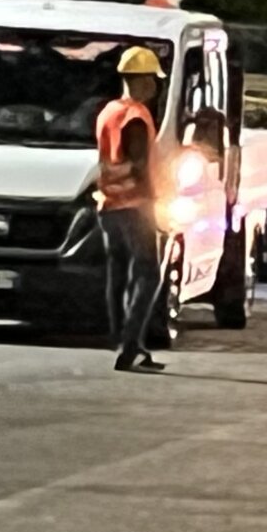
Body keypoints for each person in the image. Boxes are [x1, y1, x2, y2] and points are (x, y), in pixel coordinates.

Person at [94, 46, 170, 374]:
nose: (155, 86)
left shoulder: (108, 111)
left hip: (109, 204)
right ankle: (130, 345)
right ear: (140, 80)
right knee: (149, 274)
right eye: (153, 79)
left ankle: (124, 341)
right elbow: (139, 164)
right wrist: (157, 204)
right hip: (135, 205)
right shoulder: (136, 115)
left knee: (120, 273)